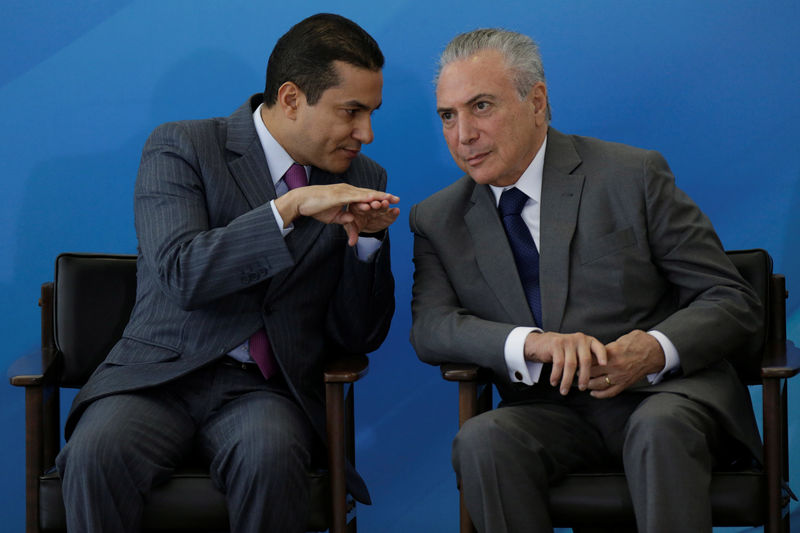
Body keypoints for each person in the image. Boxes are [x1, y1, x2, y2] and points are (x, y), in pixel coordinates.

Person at [409, 28, 763, 533]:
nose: (463, 134)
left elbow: (731, 299)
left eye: (481, 106)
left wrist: (654, 349)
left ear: (537, 101)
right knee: (482, 440)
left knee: (659, 429)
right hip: (549, 414)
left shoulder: (632, 175)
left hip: (661, 398)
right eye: (448, 115)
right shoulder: (438, 219)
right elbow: (432, 326)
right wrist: (531, 344)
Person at [56, 13, 398, 533]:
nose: (366, 134)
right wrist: (288, 209)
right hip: (157, 379)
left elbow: (359, 334)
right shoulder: (182, 148)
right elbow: (183, 273)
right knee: (97, 454)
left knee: (271, 457)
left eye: (371, 113)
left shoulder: (362, 179)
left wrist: (368, 242)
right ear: (290, 98)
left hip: (264, 390)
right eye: (351, 112)